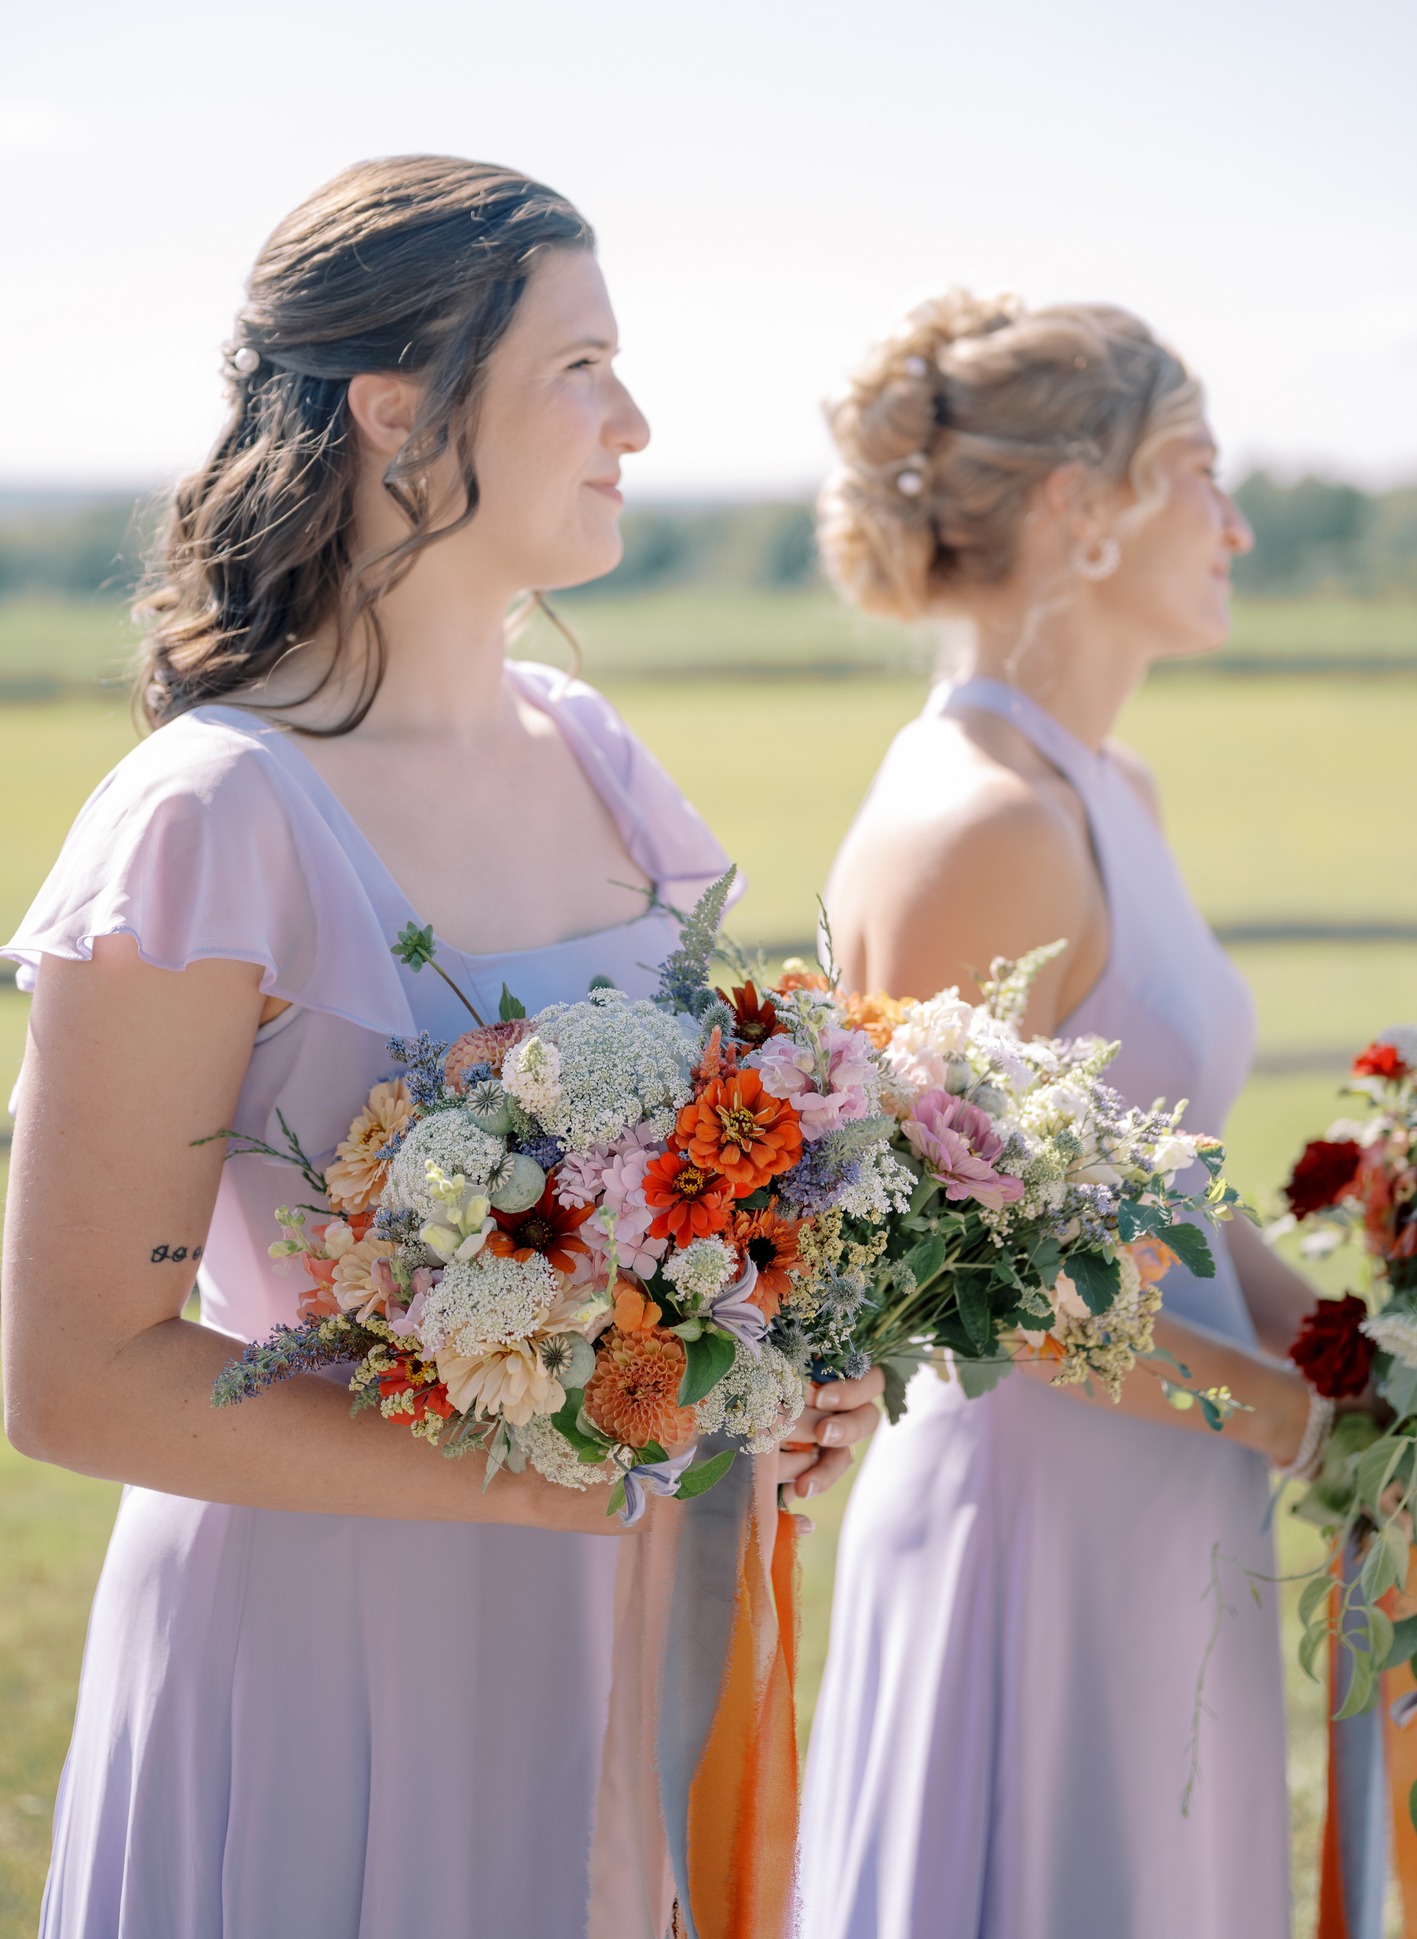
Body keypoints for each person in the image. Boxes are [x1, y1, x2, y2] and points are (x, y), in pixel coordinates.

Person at [0, 156, 878, 1939]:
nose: (632, 417)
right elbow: (77, 1375)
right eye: (580, 365)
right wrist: (548, 1468)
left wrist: (780, 1376)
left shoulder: (593, 752)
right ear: (398, 409)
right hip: (329, 1648)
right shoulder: (213, 817)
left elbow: (704, 1196)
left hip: (629, 1647)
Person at [797, 290, 1333, 1938]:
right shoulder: (979, 825)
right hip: (1034, 1534)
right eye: (1200, 471)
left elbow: (1152, 1183)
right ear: (1076, 508)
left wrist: (1354, 1365)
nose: (1236, 521)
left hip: (1169, 1504)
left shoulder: (1112, 790)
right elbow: (968, 1283)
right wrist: (1286, 1416)